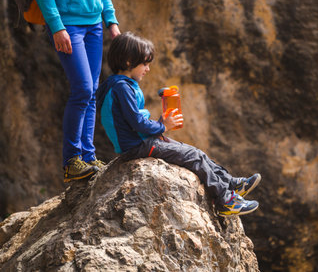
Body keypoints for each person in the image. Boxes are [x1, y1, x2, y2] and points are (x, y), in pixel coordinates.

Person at [96, 32, 261, 217]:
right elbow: (136, 123)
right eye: (145, 64)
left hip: (141, 141)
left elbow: (131, 121)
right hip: (137, 146)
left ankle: (231, 184)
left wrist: (159, 126)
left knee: (196, 153)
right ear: (128, 62)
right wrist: (163, 126)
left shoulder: (119, 85)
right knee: (193, 156)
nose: (148, 69)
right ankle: (226, 201)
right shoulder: (122, 87)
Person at [31, 0, 121, 182]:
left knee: (91, 91)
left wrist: (111, 19)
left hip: (94, 24)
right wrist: (56, 25)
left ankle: (88, 157)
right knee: (82, 89)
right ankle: (72, 160)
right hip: (67, 24)